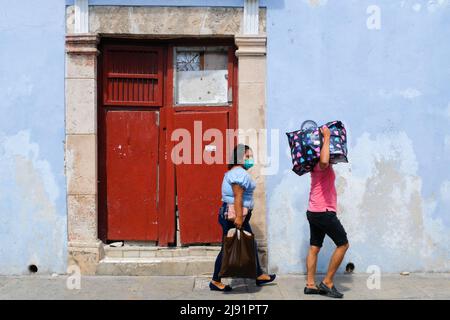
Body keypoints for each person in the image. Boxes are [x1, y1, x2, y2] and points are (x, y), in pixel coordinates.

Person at [210, 144, 276, 292]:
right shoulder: (239, 173)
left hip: (236, 214)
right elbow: (238, 196)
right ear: (239, 158)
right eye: (247, 156)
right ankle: (215, 280)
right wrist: (239, 218)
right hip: (234, 215)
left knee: (249, 242)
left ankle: (258, 274)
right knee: (228, 247)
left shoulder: (236, 172)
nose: (250, 159)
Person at [304, 126, 349, 298]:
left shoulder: (314, 164)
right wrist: (327, 136)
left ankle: (310, 285)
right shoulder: (320, 163)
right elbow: (324, 161)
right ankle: (327, 282)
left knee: (314, 247)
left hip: (313, 211)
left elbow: (325, 161)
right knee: (343, 244)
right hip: (323, 212)